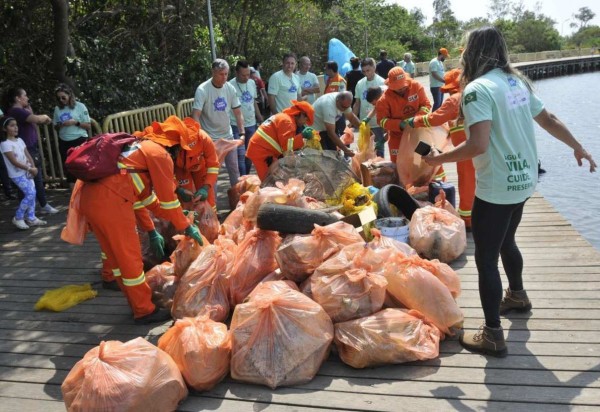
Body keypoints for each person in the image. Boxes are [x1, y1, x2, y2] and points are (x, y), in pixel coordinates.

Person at [423, 26, 596, 357]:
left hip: (497, 186)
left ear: (471, 53)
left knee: (486, 258)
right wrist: (578, 147)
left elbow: (477, 144)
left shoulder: (476, 91)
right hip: (524, 180)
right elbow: (549, 119)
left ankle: (492, 335)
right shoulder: (516, 82)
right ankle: (517, 295)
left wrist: (438, 158)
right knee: (507, 241)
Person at [80, 117, 204, 325]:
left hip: (91, 199)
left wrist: (151, 230)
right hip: (112, 202)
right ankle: (144, 310)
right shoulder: (159, 154)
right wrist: (186, 226)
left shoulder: (137, 149)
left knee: (116, 259)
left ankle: (135, 302)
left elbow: (147, 200)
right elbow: (169, 201)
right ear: (174, 146)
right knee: (130, 259)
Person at [406, 68, 475, 229]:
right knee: (478, 184)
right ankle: (478, 217)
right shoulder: (474, 97)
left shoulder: (454, 100)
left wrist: (414, 122)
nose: (449, 93)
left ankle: (468, 221)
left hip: (465, 152)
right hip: (478, 147)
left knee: (467, 183)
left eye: (450, 90)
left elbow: (434, 118)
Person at [2, 87, 59, 214]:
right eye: (25, 95)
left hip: (28, 146)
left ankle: (32, 209)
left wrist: (29, 108)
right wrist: (45, 116)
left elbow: (31, 115)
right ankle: (40, 206)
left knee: (32, 179)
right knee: (34, 177)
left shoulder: (21, 110)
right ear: (18, 98)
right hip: (26, 148)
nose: (27, 98)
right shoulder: (16, 111)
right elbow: (37, 119)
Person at [192, 59, 244, 194]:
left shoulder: (230, 88)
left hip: (228, 136)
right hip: (211, 139)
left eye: (226, 74)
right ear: (213, 73)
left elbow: (238, 112)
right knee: (212, 173)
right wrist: (200, 137)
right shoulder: (203, 90)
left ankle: (237, 199)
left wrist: (242, 133)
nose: (224, 77)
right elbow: (196, 115)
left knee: (234, 168)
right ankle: (213, 206)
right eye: (221, 74)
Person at [246, 100, 315, 180]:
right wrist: (302, 136)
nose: (305, 123)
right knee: (266, 180)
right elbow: (287, 146)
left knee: (275, 177)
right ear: (302, 114)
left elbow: (287, 144)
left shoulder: (285, 118)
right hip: (261, 151)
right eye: (306, 120)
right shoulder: (288, 122)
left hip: (264, 150)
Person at [375, 67, 431, 164]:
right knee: (399, 166)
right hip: (397, 137)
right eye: (398, 87)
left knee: (426, 162)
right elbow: (381, 121)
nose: (401, 89)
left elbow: (426, 105)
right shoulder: (384, 100)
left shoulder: (416, 86)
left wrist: (416, 119)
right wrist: (399, 124)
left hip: (418, 133)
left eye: (403, 86)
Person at [0, 117, 46, 229]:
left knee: (33, 193)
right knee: (30, 193)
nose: (15, 127)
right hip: (17, 174)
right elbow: (14, 162)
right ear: (4, 129)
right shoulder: (5, 144)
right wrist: (30, 169)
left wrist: (33, 167)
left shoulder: (20, 140)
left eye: (16, 125)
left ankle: (31, 218)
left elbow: (28, 155)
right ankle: (18, 217)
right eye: (11, 125)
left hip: (28, 171)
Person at [52, 84, 91, 185]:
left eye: (63, 97)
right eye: (58, 98)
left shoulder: (80, 106)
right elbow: (55, 126)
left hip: (79, 139)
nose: (61, 100)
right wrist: (60, 125)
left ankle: (86, 188)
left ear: (69, 95)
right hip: (64, 141)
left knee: (81, 166)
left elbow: (88, 125)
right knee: (69, 167)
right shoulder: (57, 108)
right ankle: (72, 193)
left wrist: (75, 122)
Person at [229, 60, 263, 176]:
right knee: (240, 155)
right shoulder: (229, 86)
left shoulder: (252, 83)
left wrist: (259, 117)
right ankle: (242, 181)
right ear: (236, 73)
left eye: (248, 74)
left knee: (249, 155)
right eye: (243, 75)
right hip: (236, 125)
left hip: (251, 124)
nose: (246, 77)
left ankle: (246, 177)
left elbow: (253, 101)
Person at [353, 58, 386, 158]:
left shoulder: (382, 83)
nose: (366, 73)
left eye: (368, 70)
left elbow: (384, 105)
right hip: (365, 124)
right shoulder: (360, 84)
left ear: (374, 67)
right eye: (363, 71)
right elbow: (357, 103)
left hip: (378, 123)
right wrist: (353, 120)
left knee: (379, 151)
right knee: (367, 152)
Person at [312, 91, 361, 156]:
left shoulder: (344, 103)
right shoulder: (328, 106)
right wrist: (345, 149)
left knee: (333, 154)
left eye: (347, 107)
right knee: (324, 156)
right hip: (316, 131)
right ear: (337, 100)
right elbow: (331, 133)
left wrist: (364, 129)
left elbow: (351, 118)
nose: (344, 110)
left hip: (326, 128)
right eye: (343, 107)